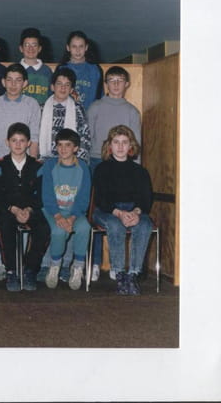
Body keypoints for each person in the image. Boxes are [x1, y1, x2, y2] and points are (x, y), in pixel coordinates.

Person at [86, 65, 142, 281]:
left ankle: (117, 265)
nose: (116, 84)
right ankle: (95, 262)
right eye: (111, 80)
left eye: (120, 80)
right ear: (106, 84)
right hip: (97, 162)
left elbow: (135, 146)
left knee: (118, 214)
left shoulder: (132, 112)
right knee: (96, 212)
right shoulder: (95, 107)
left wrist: (135, 173)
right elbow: (87, 140)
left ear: (127, 84)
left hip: (123, 165)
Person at [92, 125, 153, 295]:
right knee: (116, 225)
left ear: (131, 146)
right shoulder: (102, 169)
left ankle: (132, 274)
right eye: (116, 142)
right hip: (107, 211)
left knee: (145, 225)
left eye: (124, 142)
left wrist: (136, 212)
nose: (120, 146)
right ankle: (119, 274)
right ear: (109, 146)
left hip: (134, 210)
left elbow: (146, 199)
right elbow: (101, 199)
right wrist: (119, 213)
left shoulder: (140, 171)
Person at [0, 122, 49, 292]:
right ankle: (11, 271)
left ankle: (30, 269)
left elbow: (42, 194)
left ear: (29, 143)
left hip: (31, 209)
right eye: (14, 140)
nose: (18, 144)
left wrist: (29, 209)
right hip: (8, 209)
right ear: (7, 142)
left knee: (44, 228)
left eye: (22, 140)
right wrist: (13, 209)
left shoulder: (38, 166)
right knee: (6, 226)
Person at [40, 128, 91, 291]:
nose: (63, 149)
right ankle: (55, 265)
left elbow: (83, 197)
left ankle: (78, 266)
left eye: (68, 145)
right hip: (53, 211)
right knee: (58, 231)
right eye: (60, 145)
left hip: (74, 212)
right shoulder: (50, 165)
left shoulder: (82, 167)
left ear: (76, 148)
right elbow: (47, 195)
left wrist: (72, 218)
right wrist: (58, 217)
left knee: (84, 227)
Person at [0, 63, 41, 166]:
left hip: (25, 163)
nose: (13, 84)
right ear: (3, 82)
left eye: (18, 80)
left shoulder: (32, 104)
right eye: (9, 80)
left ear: (24, 83)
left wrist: (32, 166)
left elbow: (34, 137)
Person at [38, 66, 92, 163]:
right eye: (59, 84)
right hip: (45, 160)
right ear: (52, 87)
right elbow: (35, 137)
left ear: (71, 89)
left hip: (71, 161)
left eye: (67, 85)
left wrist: (79, 162)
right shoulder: (41, 109)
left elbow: (84, 137)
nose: (63, 88)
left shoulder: (78, 109)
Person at [56, 30, 104, 111]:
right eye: (74, 46)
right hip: (67, 114)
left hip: (89, 115)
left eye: (81, 46)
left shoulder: (95, 69)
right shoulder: (61, 68)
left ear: (86, 47)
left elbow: (100, 97)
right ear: (68, 48)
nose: (78, 50)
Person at [17, 27, 53, 107]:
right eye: (27, 45)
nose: (30, 48)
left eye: (34, 45)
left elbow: (51, 97)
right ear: (21, 48)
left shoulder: (47, 71)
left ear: (39, 48)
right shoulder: (15, 70)